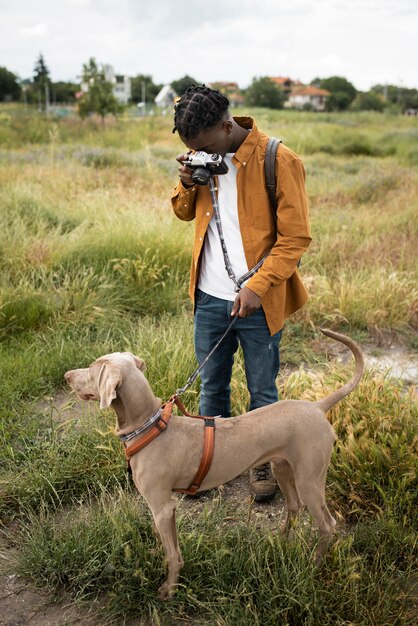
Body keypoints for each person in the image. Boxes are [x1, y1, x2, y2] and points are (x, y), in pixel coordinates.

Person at [171, 85, 311, 502]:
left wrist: (257, 287)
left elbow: (295, 239)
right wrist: (186, 182)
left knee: (263, 392)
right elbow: (181, 213)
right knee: (211, 389)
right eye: (194, 150)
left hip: (259, 299)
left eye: (208, 147)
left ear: (227, 125)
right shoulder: (202, 156)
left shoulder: (278, 160)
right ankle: (211, 464)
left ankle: (264, 467)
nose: (205, 156)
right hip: (209, 297)